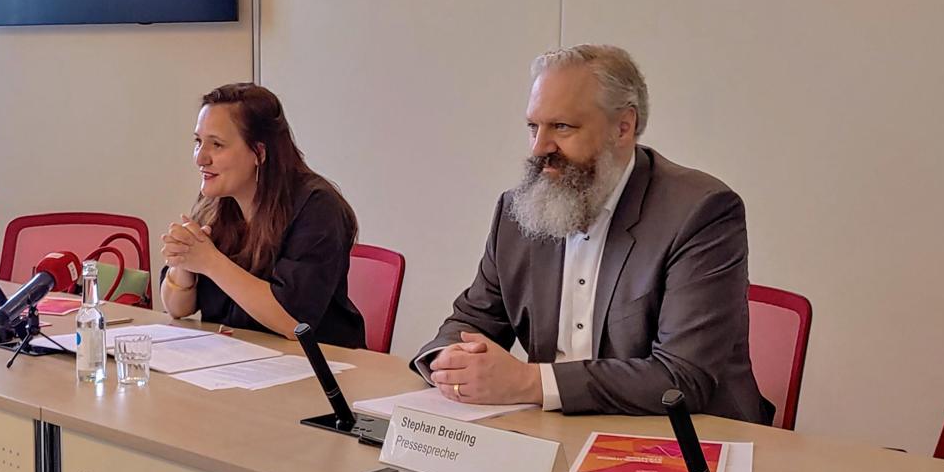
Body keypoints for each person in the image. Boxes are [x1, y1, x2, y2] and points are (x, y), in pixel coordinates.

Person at [414, 45, 772, 422]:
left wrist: (530, 382)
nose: (539, 148)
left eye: (562, 127)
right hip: (558, 431)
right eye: (533, 127)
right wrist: (450, 361)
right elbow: (472, 319)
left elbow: (681, 378)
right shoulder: (519, 210)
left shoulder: (701, 212)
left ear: (623, 127)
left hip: (684, 440)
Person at [161, 82, 365, 348]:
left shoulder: (317, 207)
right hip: (237, 362)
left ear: (259, 152)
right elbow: (176, 308)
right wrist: (185, 263)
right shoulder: (216, 199)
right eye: (198, 142)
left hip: (315, 367)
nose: (201, 158)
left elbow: (294, 322)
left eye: (217, 145)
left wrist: (210, 262)